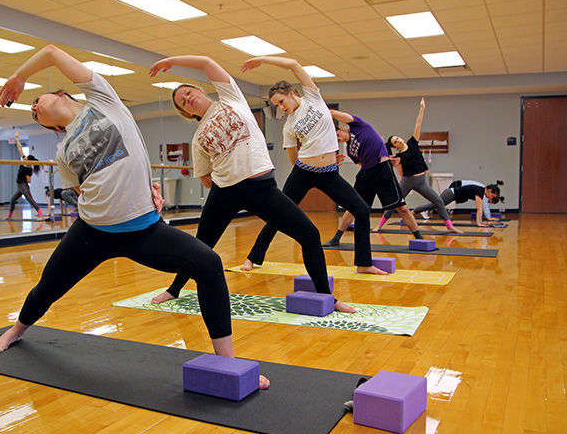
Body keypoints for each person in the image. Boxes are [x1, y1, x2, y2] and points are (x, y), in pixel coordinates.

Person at [0, 45, 269, 389]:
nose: (34, 109)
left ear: (62, 93)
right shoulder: (63, 152)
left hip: (143, 230)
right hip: (91, 231)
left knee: (208, 264)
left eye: (36, 102)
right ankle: (17, 330)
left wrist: (19, 77)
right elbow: (82, 189)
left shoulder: (102, 100)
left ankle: (228, 362)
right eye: (34, 115)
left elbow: (50, 51)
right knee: (47, 287)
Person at [148, 54, 356, 313]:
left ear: (200, 90)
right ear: (187, 112)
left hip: (261, 188)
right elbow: (205, 178)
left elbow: (206, 62)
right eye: (182, 102)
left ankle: (328, 298)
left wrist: (172, 62)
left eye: (188, 92)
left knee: (309, 234)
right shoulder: (198, 138)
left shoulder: (231, 98)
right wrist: (228, 178)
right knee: (201, 245)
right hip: (225, 191)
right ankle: (174, 288)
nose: (188, 98)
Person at [237, 56, 386, 275]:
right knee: (279, 213)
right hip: (304, 172)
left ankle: (364, 263)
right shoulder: (289, 126)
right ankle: (253, 257)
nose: (281, 107)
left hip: (329, 173)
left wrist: (263, 60)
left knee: (362, 210)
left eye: (281, 101)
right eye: (276, 105)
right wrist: (304, 169)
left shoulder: (313, 97)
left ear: (291, 93)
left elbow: (294, 65)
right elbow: (293, 155)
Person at [323, 110, 424, 246]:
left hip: (382, 170)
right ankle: (336, 238)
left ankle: (419, 238)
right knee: (353, 207)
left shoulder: (358, 126)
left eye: (338, 135)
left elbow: (336, 114)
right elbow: (361, 162)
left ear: (341, 128)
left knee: (402, 208)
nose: (339, 139)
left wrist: (324, 111)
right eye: (337, 140)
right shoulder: (349, 150)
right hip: (366, 174)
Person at [374, 98, 463, 234]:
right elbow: (402, 174)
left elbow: (418, 123)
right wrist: (396, 165)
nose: (398, 140)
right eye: (395, 142)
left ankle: (450, 226)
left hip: (421, 182)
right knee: (394, 203)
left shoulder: (413, 142)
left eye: (397, 138)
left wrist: (422, 108)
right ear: (395, 146)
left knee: (438, 201)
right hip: (408, 181)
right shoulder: (399, 156)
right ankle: (379, 226)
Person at [413, 180, 504, 227]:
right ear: (489, 190)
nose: (489, 199)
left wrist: (481, 221)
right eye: (492, 196)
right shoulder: (479, 191)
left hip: (451, 194)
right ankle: (413, 212)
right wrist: (479, 223)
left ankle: (413, 212)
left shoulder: (481, 191)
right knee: (433, 205)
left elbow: (481, 208)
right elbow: (479, 208)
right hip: (450, 193)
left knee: (435, 205)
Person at [6, 133, 44, 220]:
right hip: (19, 186)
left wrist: (29, 174)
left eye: (26, 158)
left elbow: (29, 181)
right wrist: (17, 138)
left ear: (29, 161)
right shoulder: (24, 161)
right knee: (12, 200)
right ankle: (9, 216)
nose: (24, 157)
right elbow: (20, 149)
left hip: (23, 185)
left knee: (30, 200)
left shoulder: (28, 169)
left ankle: (41, 215)